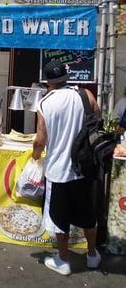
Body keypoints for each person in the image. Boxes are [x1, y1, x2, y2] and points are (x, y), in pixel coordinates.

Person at [32, 60, 101, 276]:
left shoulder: (45, 103)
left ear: (47, 81)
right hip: (83, 168)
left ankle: (63, 260)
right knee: (87, 214)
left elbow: (41, 140)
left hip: (58, 171)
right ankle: (91, 255)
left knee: (59, 219)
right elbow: (98, 119)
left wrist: (34, 156)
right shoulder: (85, 95)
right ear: (66, 77)